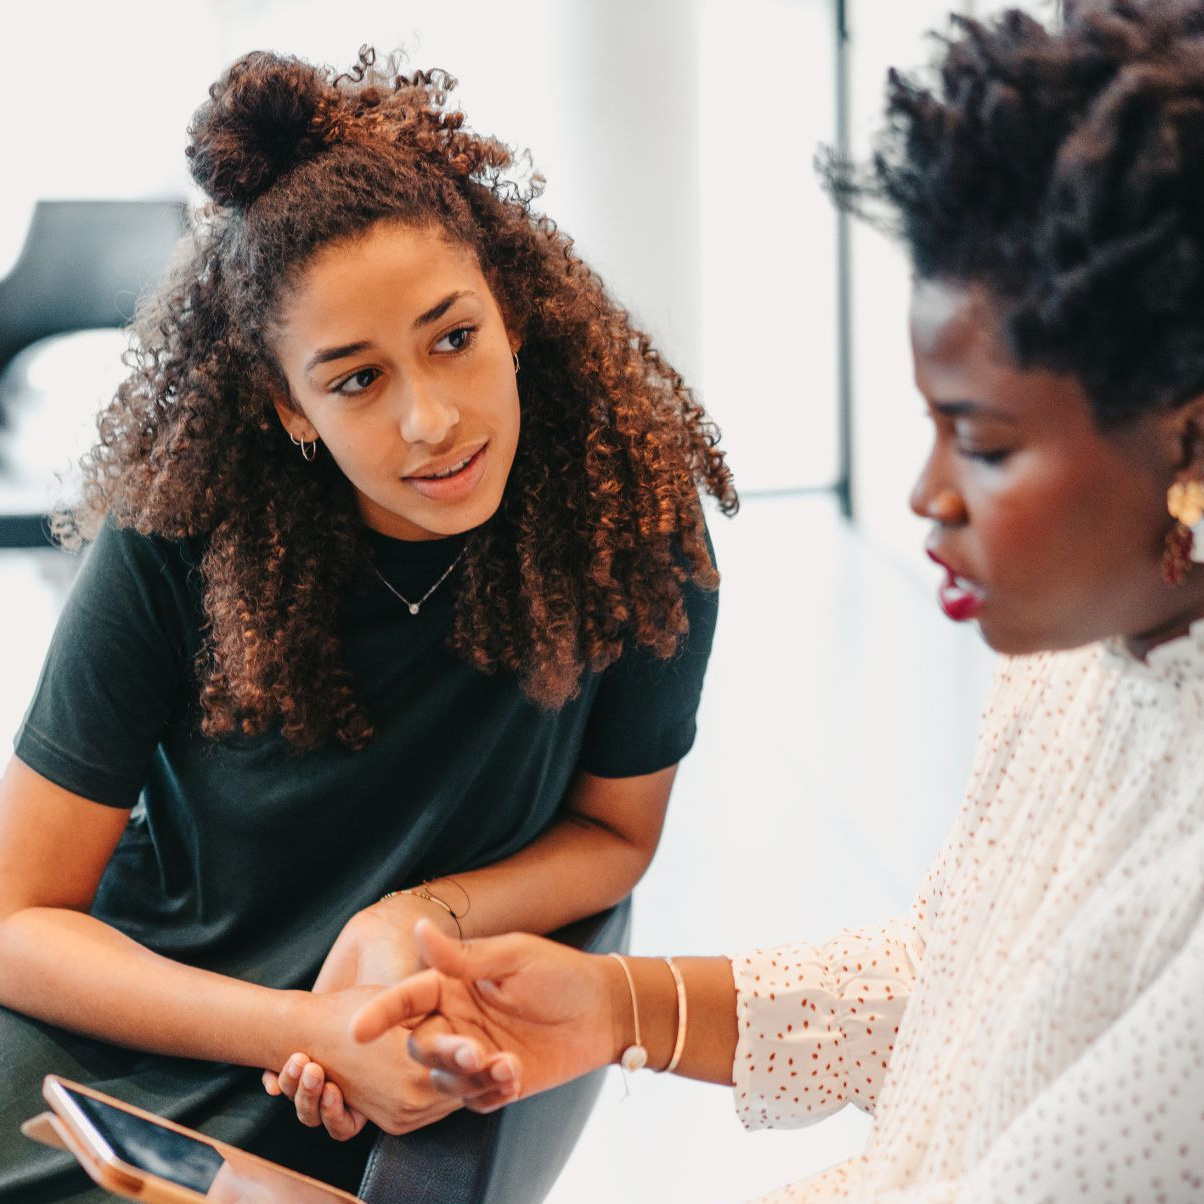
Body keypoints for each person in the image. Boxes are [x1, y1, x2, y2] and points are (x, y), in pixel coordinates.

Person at [327, 4, 1204, 1200]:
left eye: (985, 445)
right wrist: (612, 1006)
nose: (926, 494)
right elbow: (963, 992)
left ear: (1190, 443)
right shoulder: (1074, 658)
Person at [0, 48, 736, 1202]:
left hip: (380, 1068)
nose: (432, 422)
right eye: (354, 381)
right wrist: (299, 1025)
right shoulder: (182, 532)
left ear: (513, 309)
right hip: (123, 1032)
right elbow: (17, 918)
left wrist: (417, 914)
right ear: (289, 404)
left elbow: (616, 833)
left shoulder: (626, 529)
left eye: (454, 338)